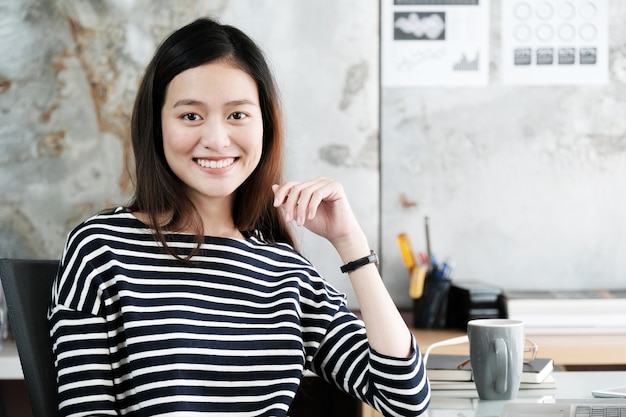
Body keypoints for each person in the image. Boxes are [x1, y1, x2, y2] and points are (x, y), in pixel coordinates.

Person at [48, 17, 430, 416]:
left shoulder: (285, 271)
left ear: (265, 125)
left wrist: (350, 242)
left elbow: (406, 400)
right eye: (191, 116)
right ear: (156, 125)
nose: (216, 139)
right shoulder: (100, 248)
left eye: (237, 115)